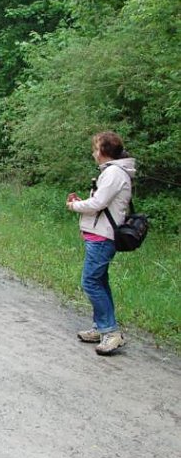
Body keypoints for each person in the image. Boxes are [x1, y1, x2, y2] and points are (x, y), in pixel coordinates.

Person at [66, 131, 135, 355]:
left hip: (104, 236)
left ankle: (111, 332)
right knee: (100, 281)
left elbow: (98, 203)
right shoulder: (112, 172)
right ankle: (101, 327)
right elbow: (100, 203)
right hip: (99, 234)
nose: (94, 153)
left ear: (105, 152)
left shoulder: (114, 173)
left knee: (91, 282)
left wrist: (75, 206)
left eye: (96, 149)